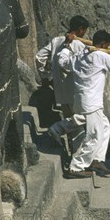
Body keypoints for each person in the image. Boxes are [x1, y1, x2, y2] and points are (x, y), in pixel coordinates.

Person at [58, 30, 110, 178]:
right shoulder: (101, 56)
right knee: (94, 135)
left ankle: (96, 159)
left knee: (104, 126)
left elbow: (62, 62)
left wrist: (66, 45)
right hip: (92, 103)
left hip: (82, 101)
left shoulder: (79, 55)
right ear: (103, 44)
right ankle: (76, 166)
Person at [37, 16, 88, 153]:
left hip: (60, 91)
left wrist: (45, 76)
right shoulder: (80, 45)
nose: (84, 34)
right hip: (76, 92)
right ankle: (57, 130)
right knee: (79, 122)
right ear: (80, 29)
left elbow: (39, 57)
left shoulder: (55, 41)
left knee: (71, 124)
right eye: (84, 31)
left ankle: (73, 156)